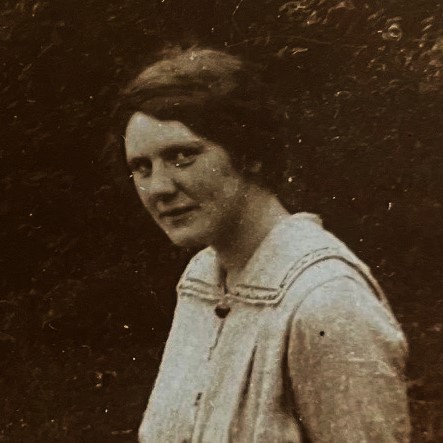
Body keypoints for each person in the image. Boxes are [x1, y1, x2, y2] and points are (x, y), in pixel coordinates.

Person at [119, 47, 410, 442]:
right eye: (142, 167)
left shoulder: (326, 302)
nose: (158, 188)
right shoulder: (202, 277)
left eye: (182, 156)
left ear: (251, 155)